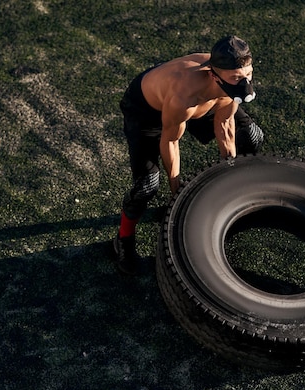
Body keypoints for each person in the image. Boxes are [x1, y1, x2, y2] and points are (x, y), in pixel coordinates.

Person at [113, 35, 264, 275]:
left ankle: (240, 192)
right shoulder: (183, 95)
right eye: (237, 78)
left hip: (206, 100)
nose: (245, 82)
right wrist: (178, 194)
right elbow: (170, 141)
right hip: (147, 111)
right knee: (147, 185)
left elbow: (225, 125)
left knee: (252, 135)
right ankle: (123, 240)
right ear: (214, 75)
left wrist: (230, 173)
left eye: (248, 75)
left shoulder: (228, 81)